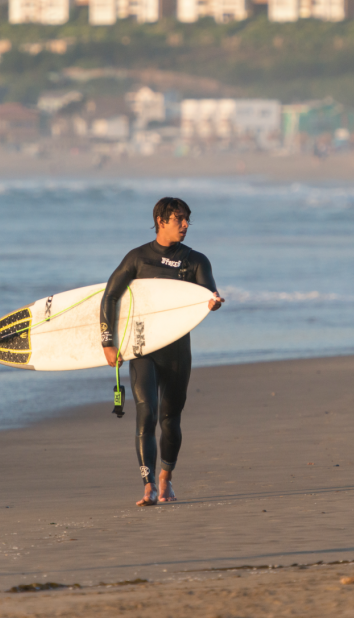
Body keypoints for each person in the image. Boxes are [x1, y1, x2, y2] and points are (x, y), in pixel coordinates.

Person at [100, 197, 224, 506]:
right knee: (146, 414)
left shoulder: (196, 260)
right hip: (143, 347)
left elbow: (207, 294)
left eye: (187, 220)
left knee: (170, 419)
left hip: (177, 351)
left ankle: (166, 479)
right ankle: (148, 486)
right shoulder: (138, 258)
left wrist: (212, 302)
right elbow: (109, 297)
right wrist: (107, 342)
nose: (185, 225)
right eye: (179, 219)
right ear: (161, 221)